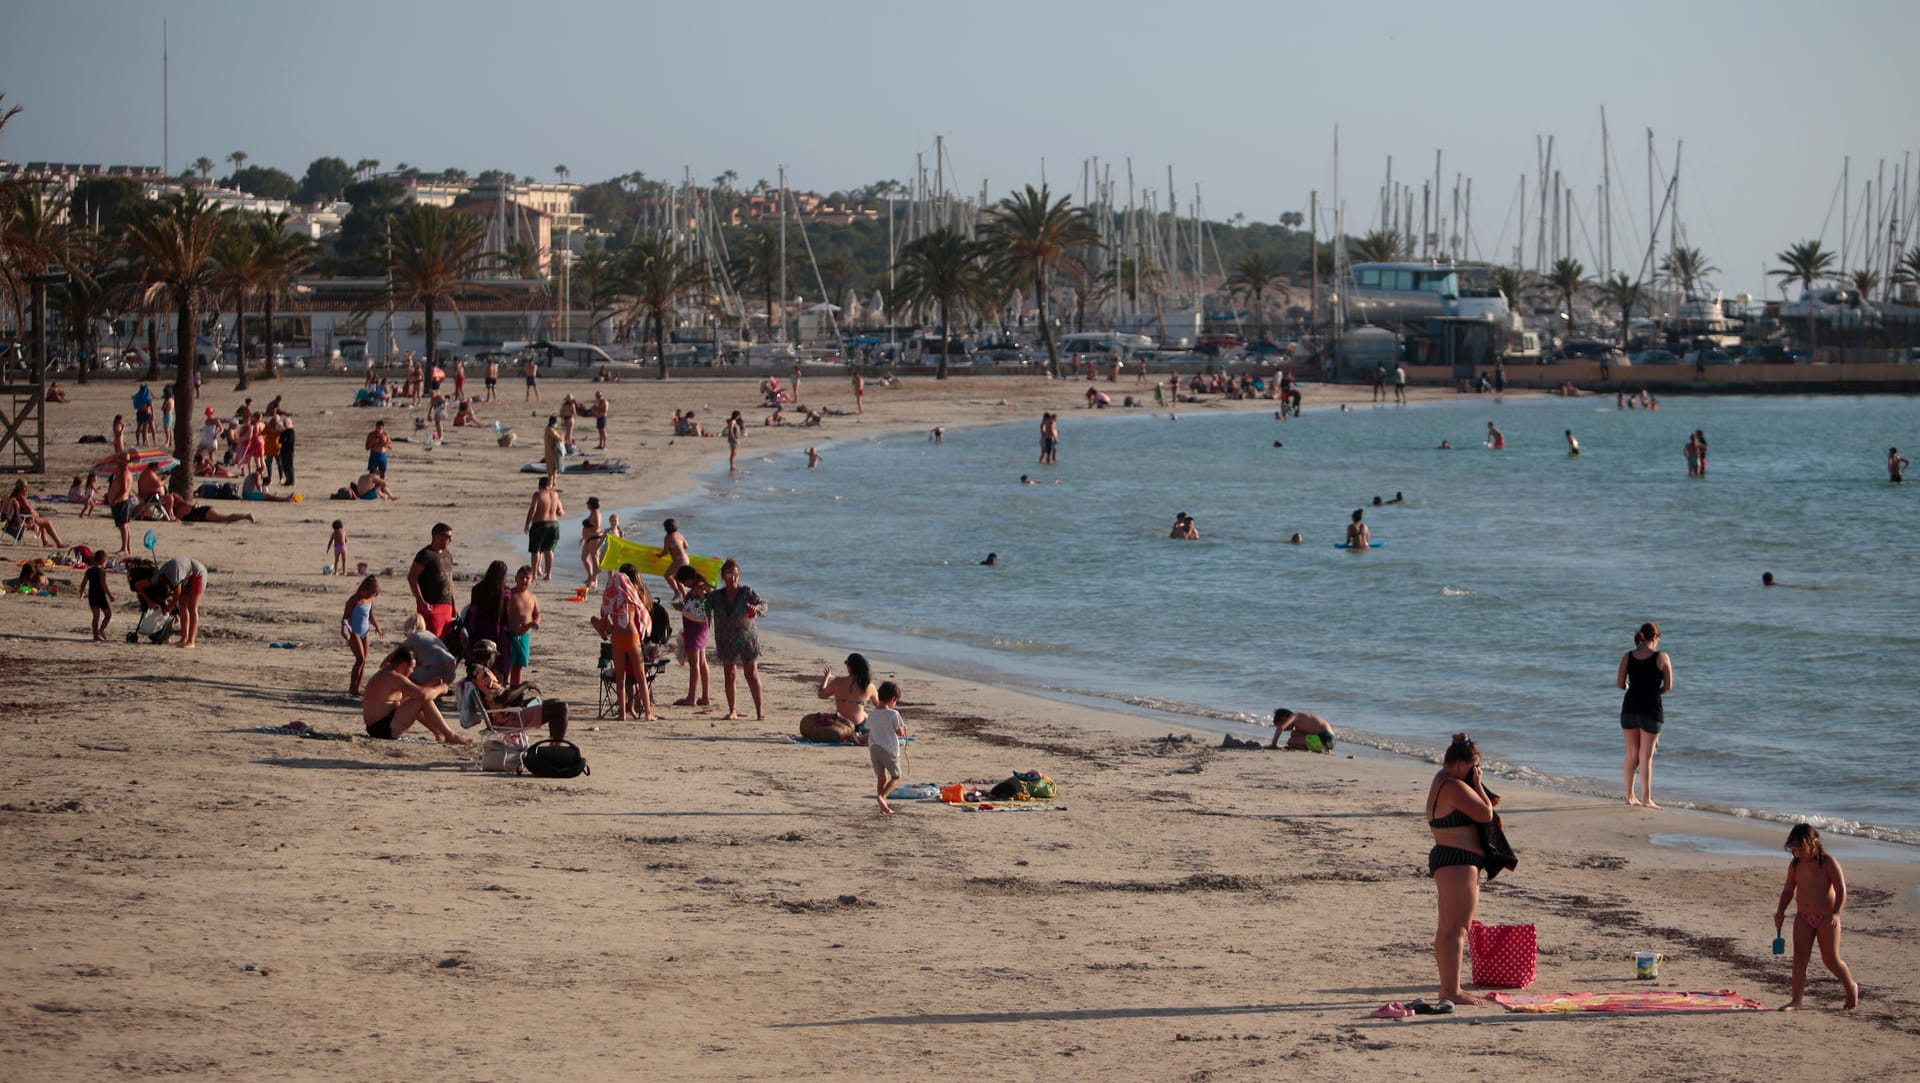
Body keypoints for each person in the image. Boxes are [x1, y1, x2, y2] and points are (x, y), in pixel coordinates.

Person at [1427, 732, 1496, 1007]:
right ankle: (1451, 990)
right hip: (1459, 861)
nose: (1475, 772)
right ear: (1460, 764)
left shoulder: (1440, 779)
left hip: (1447, 857)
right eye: (1473, 766)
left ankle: (1448, 987)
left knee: (1447, 927)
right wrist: (1478, 785)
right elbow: (1485, 813)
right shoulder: (1454, 785)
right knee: (1456, 929)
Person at [1774, 824, 1860, 1011]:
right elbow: (1788, 890)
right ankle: (1796, 1001)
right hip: (1803, 918)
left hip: (1827, 919)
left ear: (1814, 842)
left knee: (1830, 960)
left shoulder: (1827, 862)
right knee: (1799, 959)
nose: (1797, 853)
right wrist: (1780, 911)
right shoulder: (1795, 865)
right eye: (1794, 849)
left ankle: (1851, 987)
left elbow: (1841, 889)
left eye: (1800, 848)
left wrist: (1836, 913)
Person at [1616, 620, 1674, 808]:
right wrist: (1655, 691)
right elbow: (1668, 686)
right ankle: (1647, 799)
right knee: (1646, 757)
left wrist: (1630, 687)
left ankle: (1629, 796)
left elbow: (1620, 684)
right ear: (1656, 637)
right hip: (1651, 709)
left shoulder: (1628, 656)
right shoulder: (1661, 657)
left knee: (1631, 754)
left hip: (1630, 707)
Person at [465, 640, 569, 740]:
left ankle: (554, 747)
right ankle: (556, 750)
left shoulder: (475, 673)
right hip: (509, 719)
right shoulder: (484, 675)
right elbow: (502, 698)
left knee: (554, 702)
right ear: (489, 655)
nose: (494, 660)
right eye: (494, 656)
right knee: (561, 708)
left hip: (504, 715)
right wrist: (525, 685)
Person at [361, 646, 467, 743]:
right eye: (412, 667)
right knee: (422, 699)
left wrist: (428, 685)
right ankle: (450, 735)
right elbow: (423, 695)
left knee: (416, 699)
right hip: (383, 728)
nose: (412, 671)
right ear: (403, 665)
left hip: (377, 727)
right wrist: (442, 689)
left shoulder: (386, 672)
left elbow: (407, 698)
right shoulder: (394, 677)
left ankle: (439, 732)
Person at [594, 563, 657, 721]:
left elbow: (603, 621)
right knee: (641, 676)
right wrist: (645, 631)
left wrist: (602, 630)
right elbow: (642, 617)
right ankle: (648, 713)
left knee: (620, 678)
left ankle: (622, 714)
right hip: (632, 637)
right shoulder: (631, 598)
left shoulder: (611, 600)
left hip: (617, 639)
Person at [709, 558, 768, 721]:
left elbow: (763, 605)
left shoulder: (747, 593)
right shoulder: (716, 596)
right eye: (729, 574)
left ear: (739, 576)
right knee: (729, 675)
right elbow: (703, 607)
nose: (732, 577)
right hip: (725, 640)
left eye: (735, 574)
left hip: (747, 639)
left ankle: (759, 711)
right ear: (723, 576)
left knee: (752, 674)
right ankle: (732, 710)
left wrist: (756, 609)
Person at [801, 653, 877, 743]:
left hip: (841, 725)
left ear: (850, 667)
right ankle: (858, 734)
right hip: (857, 725)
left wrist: (826, 678)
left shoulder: (837, 682)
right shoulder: (869, 686)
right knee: (864, 714)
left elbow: (821, 694)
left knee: (863, 713)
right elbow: (879, 705)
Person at [670, 565, 711, 708]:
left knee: (694, 664)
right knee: (702, 662)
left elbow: (701, 606)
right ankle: (704, 696)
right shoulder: (701, 585)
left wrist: (682, 608)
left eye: (683, 582)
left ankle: (691, 697)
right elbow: (699, 606)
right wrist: (683, 606)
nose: (683, 585)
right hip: (701, 627)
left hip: (695, 628)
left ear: (688, 579)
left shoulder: (699, 587)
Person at [408, 523, 457, 637]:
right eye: (447, 537)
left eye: (451, 537)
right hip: (431, 605)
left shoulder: (447, 554)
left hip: (446, 604)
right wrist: (421, 602)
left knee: (445, 639)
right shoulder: (425, 554)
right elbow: (412, 578)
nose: (450, 540)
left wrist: (453, 603)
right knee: (431, 637)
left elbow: (449, 580)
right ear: (437, 536)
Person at [868, 681, 908, 814]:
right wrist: (903, 730)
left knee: (881, 777)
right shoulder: (893, 714)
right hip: (888, 749)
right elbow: (899, 733)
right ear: (893, 699)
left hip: (874, 748)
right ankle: (882, 797)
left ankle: (882, 806)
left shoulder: (873, 713)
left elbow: (869, 728)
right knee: (896, 777)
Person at [341, 574, 383, 696]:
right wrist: (345, 628)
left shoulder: (370, 600)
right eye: (371, 592)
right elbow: (345, 617)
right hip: (355, 633)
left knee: (364, 661)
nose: (372, 595)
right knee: (360, 659)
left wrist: (377, 627)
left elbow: (371, 615)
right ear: (365, 588)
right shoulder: (354, 600)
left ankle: (357, 688)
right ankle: (352, 686)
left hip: (365, 632)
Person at [155, 555, 208, 649]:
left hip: (198, 574)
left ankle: (191, 641)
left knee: (192, 607)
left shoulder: (174, 577)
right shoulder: (162, 575)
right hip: (186, 578)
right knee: (183, 604)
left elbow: (177, 595)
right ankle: (184, 639)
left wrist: (168, 609)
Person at [503, 565, 541, 686]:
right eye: (521, 577)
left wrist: (536, 622)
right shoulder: (509, 594)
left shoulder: (532, 597)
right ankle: (502, 687)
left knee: (518, 666)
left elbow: (537, 613)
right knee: (507, 664)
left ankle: (515, 689)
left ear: (532, 580)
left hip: (524, 636)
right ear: (515, 578)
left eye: (527, 578)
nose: (524, 580)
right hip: (510, 635)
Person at [524, 476, 564, 581]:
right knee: (549, 550)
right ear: (550, 485)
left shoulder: (538, 494)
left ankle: (534, 573)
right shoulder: (556, 495)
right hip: (554, 524)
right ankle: (548, 574)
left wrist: (527, 523)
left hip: (540, 524)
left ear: (540, 485)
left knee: (536, 550)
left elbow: (533, 509)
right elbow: (561, 512)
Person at [3, 480, 64, 547]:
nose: (26, 489)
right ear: (23, 488)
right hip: (25, 520)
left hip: (15, 521)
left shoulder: (13, 496)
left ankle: (45, 542)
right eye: (25, 487)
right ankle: (59, 543)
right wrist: (36, 514)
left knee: (42, 522)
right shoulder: (20, 497)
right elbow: (29, 510)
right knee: (48, 522)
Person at [1270, 708, 1336, 751]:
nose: (1284, 730)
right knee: (1294, 734)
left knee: (1291, 741)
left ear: (1284, 719)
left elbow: (1281, 727)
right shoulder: (1301, 721)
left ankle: (1321, 748)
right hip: (1329, 741)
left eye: (1279, 724)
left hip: (1325, 739)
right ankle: (1323, 749)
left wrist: (1274, 744)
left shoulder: (1296, 716)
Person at [84, 549, 113, 642]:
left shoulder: (89, 571)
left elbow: (83, 583)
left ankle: (95, 635)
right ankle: (101, 630)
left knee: (96, 617)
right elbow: (104, 585)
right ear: (104, 562)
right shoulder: (102, 571)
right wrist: (110, 596)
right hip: (101, 596)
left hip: (92, 595)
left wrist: (81, 593)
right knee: (108, 614)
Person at [580, 496, 607, 591]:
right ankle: (590, 576)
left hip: (594, 539)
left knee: (594, 558)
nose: (587, 505)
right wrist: (583, 537)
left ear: (591, 505)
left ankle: (593, 581)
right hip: (588, 539)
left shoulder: (596, 514)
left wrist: (588, 530)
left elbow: (597, 527)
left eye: (588, 503)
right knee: (584, 557)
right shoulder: (592, 513)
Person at [662, 518, 691, 600]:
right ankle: (685, 596)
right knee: (677, 578)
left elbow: (665, 551)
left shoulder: (667, 537)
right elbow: (686, 546)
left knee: (668, 576)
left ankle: (677, 592)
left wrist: (659, 555)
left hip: (679, 560)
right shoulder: (680, 535)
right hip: (686, 559)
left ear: (666, 528)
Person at [541, 415, 564, 486]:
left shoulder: (552, 429)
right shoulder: (550, 430)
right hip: (550, 453)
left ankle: (554, 484)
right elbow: (559, 438)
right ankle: (550, 485)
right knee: (551, 471)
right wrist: (561, 435)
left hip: (554, 453)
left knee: (554, 470)